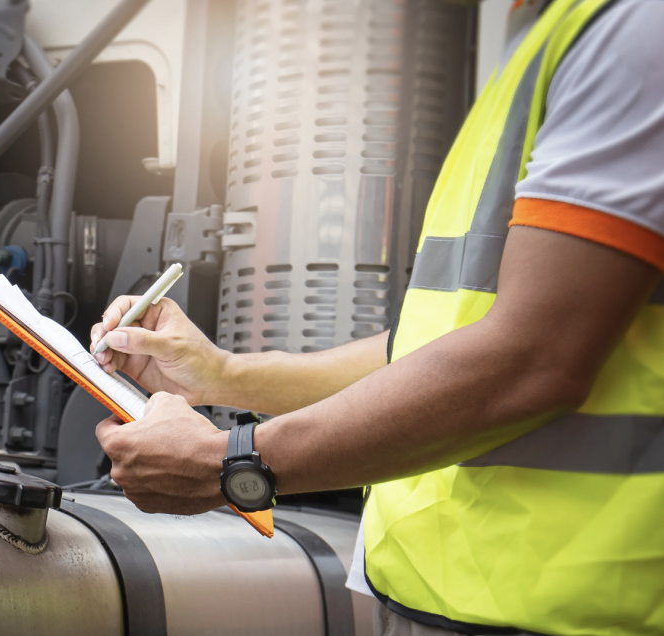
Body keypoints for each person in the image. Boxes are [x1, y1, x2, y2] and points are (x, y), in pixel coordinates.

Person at [88, 0, 664, 634]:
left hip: (576, 608)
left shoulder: (633, 28)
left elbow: (533, 358)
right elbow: (431, 344)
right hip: (439, 597)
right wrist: (219, 374)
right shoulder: (544, 38)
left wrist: (230, 465)